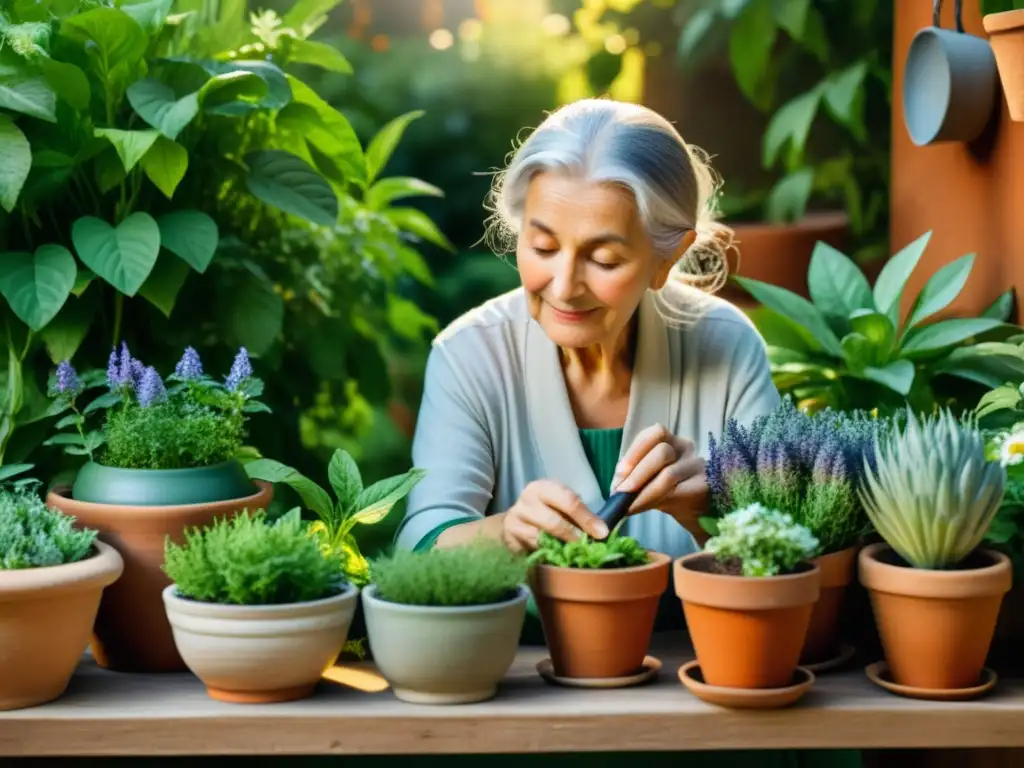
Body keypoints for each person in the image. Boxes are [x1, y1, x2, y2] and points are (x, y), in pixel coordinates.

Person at [394, 98, 860, 768]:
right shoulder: (471, 354)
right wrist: (505, 534)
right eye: (543, 246)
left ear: (666, 261)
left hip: (705, 690)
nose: (563, 285)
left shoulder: (724, 344)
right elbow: (416, 555)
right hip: (519, 698)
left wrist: (710, 511)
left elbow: (796, 565)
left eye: (603, 257)